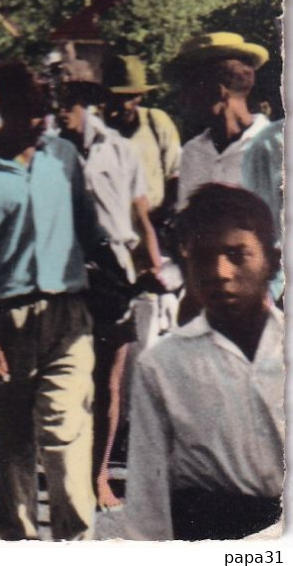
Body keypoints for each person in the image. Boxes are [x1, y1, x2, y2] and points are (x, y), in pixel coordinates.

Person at [0, 60, 103, 541]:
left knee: (66, 437)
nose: (44, 123)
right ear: (3, 106)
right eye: (33, 112)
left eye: (48, 112)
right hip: (4, 323)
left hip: (67, 315)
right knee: (12, 449)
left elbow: (89, 232)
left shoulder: (64, 159)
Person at [124, 184, 284, 540]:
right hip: (207, 534)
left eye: (237, 254)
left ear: (273, 261)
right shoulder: (163, 365)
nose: (219, 272)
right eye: (201, 257)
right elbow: (146, 497)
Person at [53, 61, 163, 513]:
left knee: (107, 383)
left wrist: (152, 266)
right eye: (57, 99)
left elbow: (140, 217)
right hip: (59, 275)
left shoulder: (119, 150)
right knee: (62, 381)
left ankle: (97, 475)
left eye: (70, 98)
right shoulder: (44, 153)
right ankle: (65, 473)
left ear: (88, 100)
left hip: (113, 276)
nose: (61, 109)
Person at [172, 33, 278, 212]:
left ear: (219, 91)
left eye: (188, 90)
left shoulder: (276, 149)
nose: (182, 100)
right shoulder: (192, 153)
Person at [101, 54, 179, 214]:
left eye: (130, 97)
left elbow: (175, 172)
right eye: (118, 97)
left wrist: (165, 213)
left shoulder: (156, 121)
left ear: (140, 96)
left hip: (155, 219)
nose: (124, 105)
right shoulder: (99, 130)